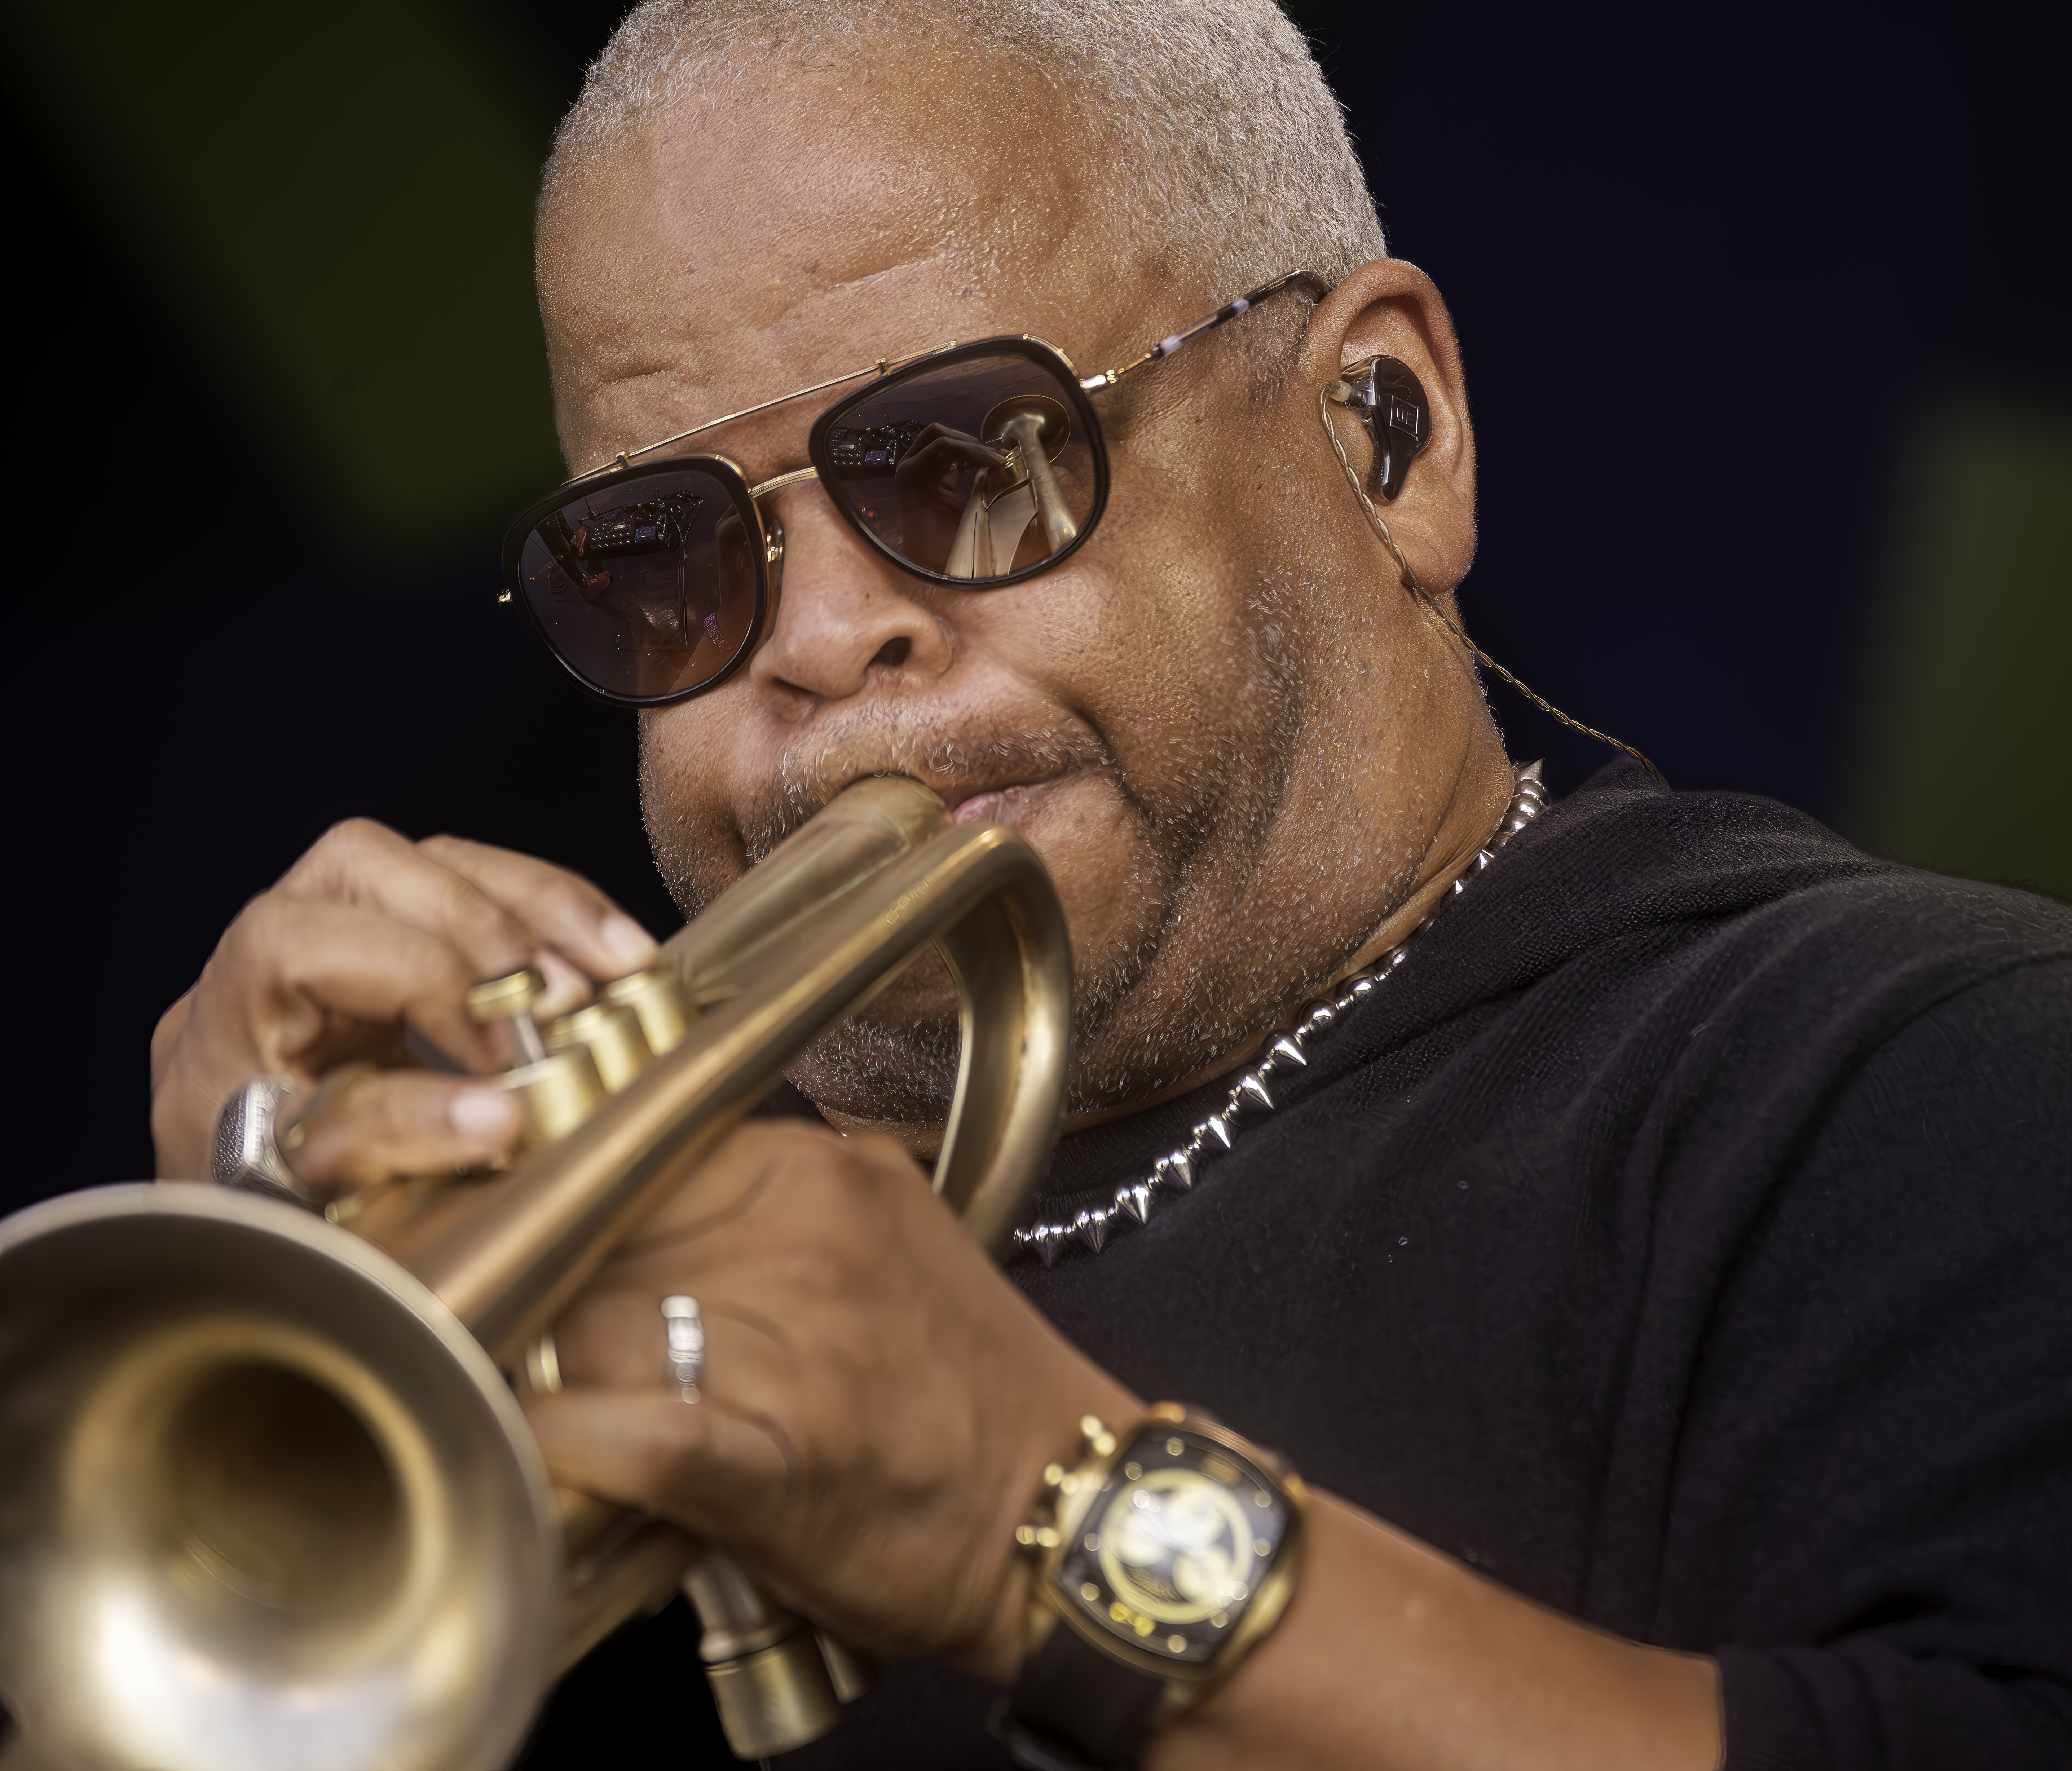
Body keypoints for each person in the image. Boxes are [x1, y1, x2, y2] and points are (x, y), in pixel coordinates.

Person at [147, 3, 2072, 1767]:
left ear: (1377, 435)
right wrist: (241, 1392)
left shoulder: (1936, 1078)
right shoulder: (552, 1249)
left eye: (965, 457)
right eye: (663, 553)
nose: (815, 643)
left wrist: (1037, 1514)